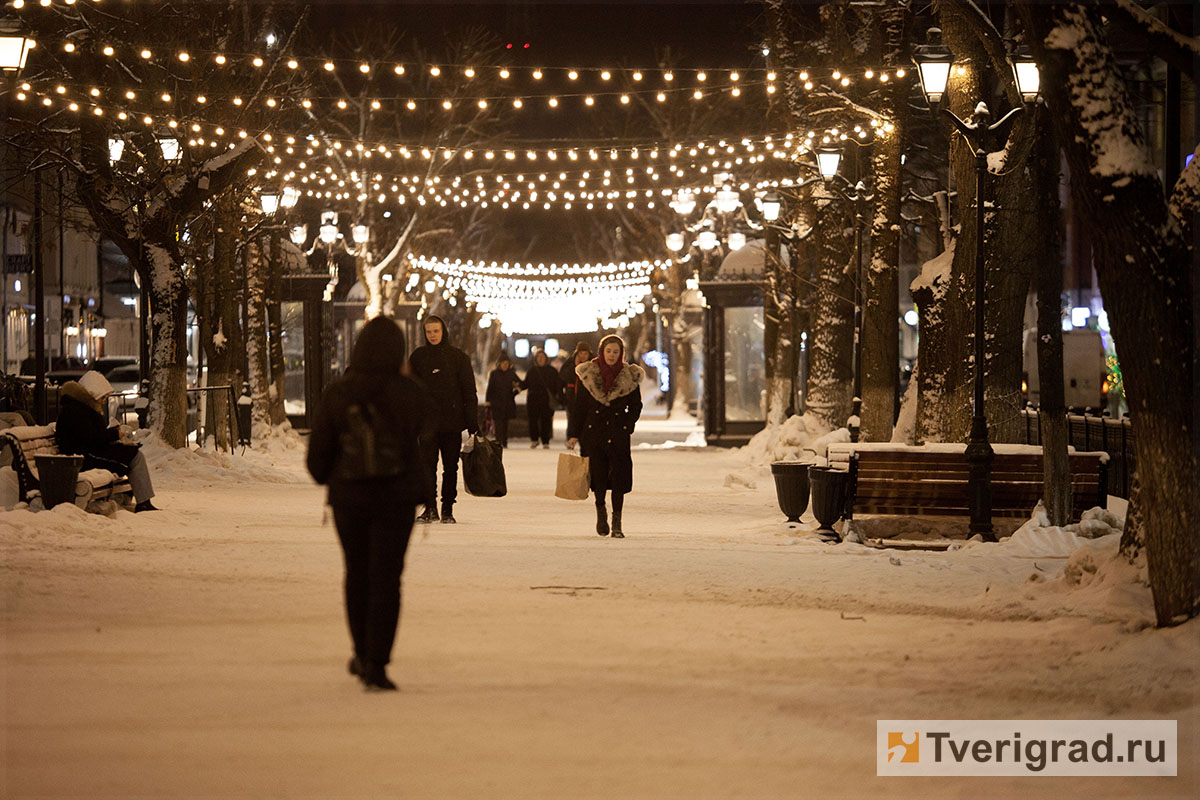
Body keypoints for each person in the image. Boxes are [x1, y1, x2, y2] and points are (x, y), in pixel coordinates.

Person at [306, 318, 429, 692]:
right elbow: (421, 444)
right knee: (387, 578)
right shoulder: (410, 393)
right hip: (397, 498)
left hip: (351, 498)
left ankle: (360, 651)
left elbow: (317, 460)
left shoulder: (339, 393)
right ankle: (377, 662)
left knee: (357, 573)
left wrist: (337, 477)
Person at [567, 334, 644, 538]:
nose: (611, 355)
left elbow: (636, 405)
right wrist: (573, 434)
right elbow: (579, 408)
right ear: (602, 352)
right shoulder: (588, 375)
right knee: (598, 476)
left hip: (618, 433)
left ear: (621, 354)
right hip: (593, 433)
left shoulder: (629, 376)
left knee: (619, 477)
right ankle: (601, 511)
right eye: (608, 351)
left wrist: (627, 425)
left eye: (616, 352)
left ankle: (617, 521)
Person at [55, 370, 159, 512]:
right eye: (102, 397)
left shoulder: (80, 406)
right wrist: (114, 434)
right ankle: (143, 502)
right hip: (83, 458)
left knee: (132, 453)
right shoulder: (76, 410)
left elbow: (93, 436)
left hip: (87, 453)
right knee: (134, 456)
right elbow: (91, 437)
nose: (104, 401)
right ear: (92, 394)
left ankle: (139, 499)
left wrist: (114, 435)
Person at [408, 314, 478, 524]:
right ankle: (430, 508)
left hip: (451, 422)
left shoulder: (457, 358)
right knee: (427, 467)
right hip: (427, 424)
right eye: (429, 332)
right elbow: (409, 391)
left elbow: (469, 392)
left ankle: (447, 508)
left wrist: (472, 423)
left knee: (450, 467)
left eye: (436, 331)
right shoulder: (418, 357)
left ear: (443, 331)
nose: (432, 335)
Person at [523, 349, 561, 449]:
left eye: (542, 357)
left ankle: (545, 440)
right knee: (533, 420)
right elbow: (525, 384)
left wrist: (559, 395)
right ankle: (534, 439)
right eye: (538, 357)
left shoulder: (552, 371)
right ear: (536, 359)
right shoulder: (532, 371)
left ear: (546, 359)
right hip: (533, 400)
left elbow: (557, 385)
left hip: (546, 400)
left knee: (546, 420)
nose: (540, 359)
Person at [484, 354, 522, 448]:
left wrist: (515, 392)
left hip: (508, 402)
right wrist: (488, 401)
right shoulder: (494, 374)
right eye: (503, 363)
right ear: (499, 364)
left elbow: (520, 384)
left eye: (507, 364)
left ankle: (504, 442)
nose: (505, 365)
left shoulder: (511, 373)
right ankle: (498, 441)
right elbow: (490, 388)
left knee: (505, 423)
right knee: (498, 423)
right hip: (496, 402)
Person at [559, 341, 592, 436]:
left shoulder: (592, 364)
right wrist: (575, 367)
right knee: (572, 420)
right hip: (572, 398)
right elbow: (562, 379)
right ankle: (571, 438)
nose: (583, 356)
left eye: (585, 353)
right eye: (581, 353)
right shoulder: (569, 363)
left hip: (587, 399)